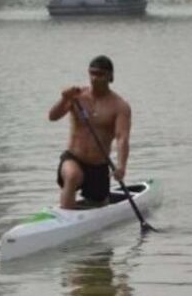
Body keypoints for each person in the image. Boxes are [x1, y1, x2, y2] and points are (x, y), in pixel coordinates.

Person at [48, 55, 132, 209]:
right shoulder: (76, 96)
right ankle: (66, 215)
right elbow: (52, 117)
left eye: (99, 74)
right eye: (91, 73)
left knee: (99, 203)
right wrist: (63, 99)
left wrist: (121, 166)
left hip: (98, 165)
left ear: (110, 77)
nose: (94, 78)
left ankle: (94, 205)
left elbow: (122, 138)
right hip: (73, 158)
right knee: (73, 175)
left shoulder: (120, 106)